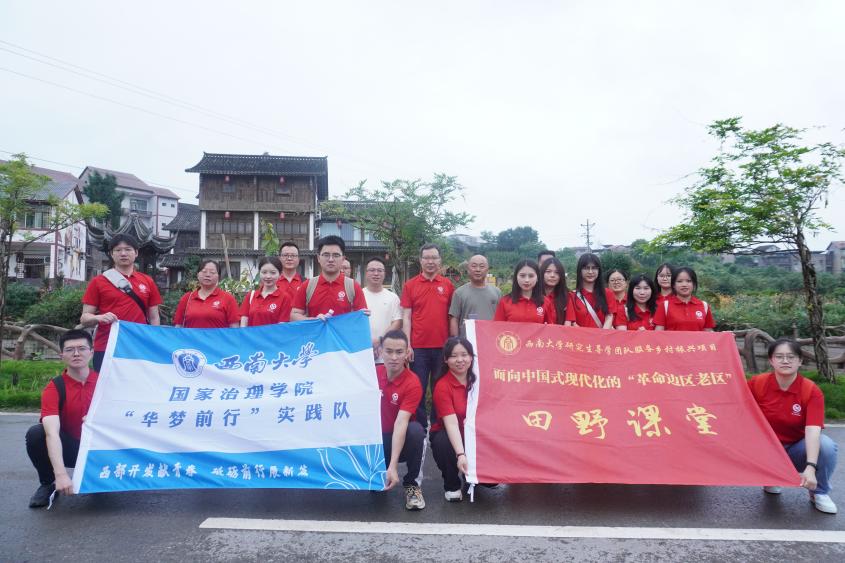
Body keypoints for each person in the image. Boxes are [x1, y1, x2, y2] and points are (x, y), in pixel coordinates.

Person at [748, 338, 838, 514]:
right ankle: (771, 477)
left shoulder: (810, 391)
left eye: (791, 357)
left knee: (826, 445)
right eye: (779, 356)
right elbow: (732, 402)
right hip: (764, 449)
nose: (785, 361)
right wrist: (724, 345)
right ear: (771, 360)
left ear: (800, 361)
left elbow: (813, 430)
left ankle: (819, 492)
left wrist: (810, 467)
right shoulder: (757, 384)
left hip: (795, 450)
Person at [25, 330, 98, 508]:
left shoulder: (106, 382)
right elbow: (51, 433)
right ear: (61, 355)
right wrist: (61, 475)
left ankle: (102, 477)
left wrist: (98, 420)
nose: (76, 354)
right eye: (70, 350)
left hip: (100, 449)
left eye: (82, 348)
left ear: (91, 352)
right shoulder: (54, 388)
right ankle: (48, 483)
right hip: (71, 449)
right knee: (36, 433)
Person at [80, 234, 161, 372]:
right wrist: (99, 317)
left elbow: (154, 317)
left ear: (136, 253)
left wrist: (153, 341)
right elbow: (84, 317)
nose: (123, 253)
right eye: (118, 250)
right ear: (112, 254)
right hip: (107, 346)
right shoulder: (98, 282)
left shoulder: (147, 281)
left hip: (139, 345)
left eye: (128, 249)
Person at [401, 244, 455, 427]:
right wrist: (407, 345)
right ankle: (421, 428)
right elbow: (406, 317)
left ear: (440, 260)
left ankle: (438, 428)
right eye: (426, 258)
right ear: (420, 260)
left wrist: (452, 346)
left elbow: (452, 316)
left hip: (442, 348)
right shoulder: (410, 285)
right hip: (418, 348)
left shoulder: (447, 285)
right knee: (418, 389)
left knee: (440, 390)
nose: (430, 261)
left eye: (434, 258)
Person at [378, 330, 426, 511]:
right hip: (376, 441)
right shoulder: (370, 374)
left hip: (400, 439)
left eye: (399, 352)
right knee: (375, 489)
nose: (394, 357)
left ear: (407, 353)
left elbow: (401, 423)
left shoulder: (412, 383)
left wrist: (393, 466)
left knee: (416, 431)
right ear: (380, 352)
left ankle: (412, 484)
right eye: (389, 351)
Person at [430, 336, 475, 502]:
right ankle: (452, 484)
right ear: (446, 360)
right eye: (454, 356)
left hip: (475, 435)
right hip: (452, 435)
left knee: (490, 483)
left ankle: (473, 478)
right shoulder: (442, 386)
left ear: (471, 357)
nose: (460, 360)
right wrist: (461, 454)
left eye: (464, 355)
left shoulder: (479, 381)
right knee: (442, 441)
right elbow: (451, 424)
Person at [291, 235, 368, 320]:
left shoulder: (353, 287)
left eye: (336, 255)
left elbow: (362, 318)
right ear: (318, 258)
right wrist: (313, 320)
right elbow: (294, 315)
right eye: (326, 255)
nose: (331, 259)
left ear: (343, 259)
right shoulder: (307, 286)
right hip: (315, 329)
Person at [173, 260, 240, 328]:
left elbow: (234, 328)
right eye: (204, 272)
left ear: (218, 277)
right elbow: (178, 326)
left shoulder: (228, 298)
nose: (207, 275)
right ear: (198, 275)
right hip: (191, 335)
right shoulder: (187, 298)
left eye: (212, 272)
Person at [565, 253, 625, 330]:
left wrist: (601, 335)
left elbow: (609, 317)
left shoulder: (608, 293)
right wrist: (588, 336)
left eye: (594, 268)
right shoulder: (572, 296)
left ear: (599, 270)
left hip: (603, 336)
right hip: (581, 336)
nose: (590, 272)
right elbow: (572, 323)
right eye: (586, 268)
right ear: (580, 270)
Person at [449, 254, 501, 337]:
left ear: (487, 270)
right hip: (467, 341)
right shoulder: (459, 293)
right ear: (468, 269)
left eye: (482, 266)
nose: (478, 270)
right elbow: (454, 319)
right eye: (474, 266)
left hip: (491, 339)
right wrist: (456, 340)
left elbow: (502, 318)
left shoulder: (497, 292)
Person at [362, 256, 402, 361]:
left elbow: (397, 322)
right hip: (363, 349)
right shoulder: (358, 295)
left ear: (384, 273)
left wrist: (380, 340)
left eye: (380, 270)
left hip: (386, 351)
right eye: (372, 270)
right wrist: (368, 343)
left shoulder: (393, 297)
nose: (376, 273)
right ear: (366, 273)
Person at [653, 266, 714, 332]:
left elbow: (709, 334)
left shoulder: (704, 306)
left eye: (688, 281)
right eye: (679, 281)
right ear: (673, 285)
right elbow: (658, 334)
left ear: (694, 284)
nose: (684, 285)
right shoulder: (664, 306)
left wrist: (722, 335)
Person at [240, 256, 292, 326]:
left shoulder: (285, 298)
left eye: (273, 273)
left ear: (280, 274)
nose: (268, 276)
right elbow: (244, 323)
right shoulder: (251, 296)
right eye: (264, 272)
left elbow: (282, 326)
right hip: (251, 334)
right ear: (259, 273)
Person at [494, 259, 547, 323]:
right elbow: (497, 327)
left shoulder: (546, 302)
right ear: (516, 277)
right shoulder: (504, 302)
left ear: (537, 278)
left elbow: (551, 327)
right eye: (522, 276)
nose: (527, 280)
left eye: (531, 276)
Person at [541, 257, 568, 325]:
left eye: (557, 272)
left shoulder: (567, 297)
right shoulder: (533, 296)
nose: (552, 275)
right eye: (548, 271)